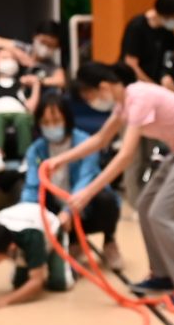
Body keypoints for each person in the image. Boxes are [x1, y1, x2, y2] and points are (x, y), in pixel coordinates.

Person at [46, 61, 174, 300]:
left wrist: (87, 193)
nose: (91, 102)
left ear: (103, 87)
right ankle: (163, 274)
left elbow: (125, 156)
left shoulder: (138, 98)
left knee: (163, 214)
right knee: (145, 207)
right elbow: (101, 139)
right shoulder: (125, 102)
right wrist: (61, 159)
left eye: (89, 96)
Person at [18, 93, 123, 275]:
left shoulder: (85, 142)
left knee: (106, 199)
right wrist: (24, 216)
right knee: (26, 198)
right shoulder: (36, 150)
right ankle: (74, 242)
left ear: (66, 119)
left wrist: (68, 211)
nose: (51, 126)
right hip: (56, 209)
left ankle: (109, 241)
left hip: (85, 205)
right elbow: (31, 186)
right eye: (45, 122)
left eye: (56, 120)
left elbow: (86, 178)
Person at [0, 203, 68, 309]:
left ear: (11, 247)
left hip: (49, 231)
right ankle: (36, 261)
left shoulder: (32, 237)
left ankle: (70, 253)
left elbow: (37, 282)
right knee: (19, 284)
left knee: (59, 283)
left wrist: (6, 300)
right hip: (23, 226)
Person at [0, 46, 38, 176]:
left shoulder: (20, 85)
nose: (9, 61)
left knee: (24, 119)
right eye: (4, 58)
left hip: (19, 114)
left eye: (12, 58)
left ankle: (26, 157)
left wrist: (36, 86)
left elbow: (31, 108)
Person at [119, 0, 174, 87]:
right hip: (135, 84)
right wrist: (155, 88)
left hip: (155, 83)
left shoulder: (166, 30)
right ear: (166, 12)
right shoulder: (137, 26)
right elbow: (131, 65)